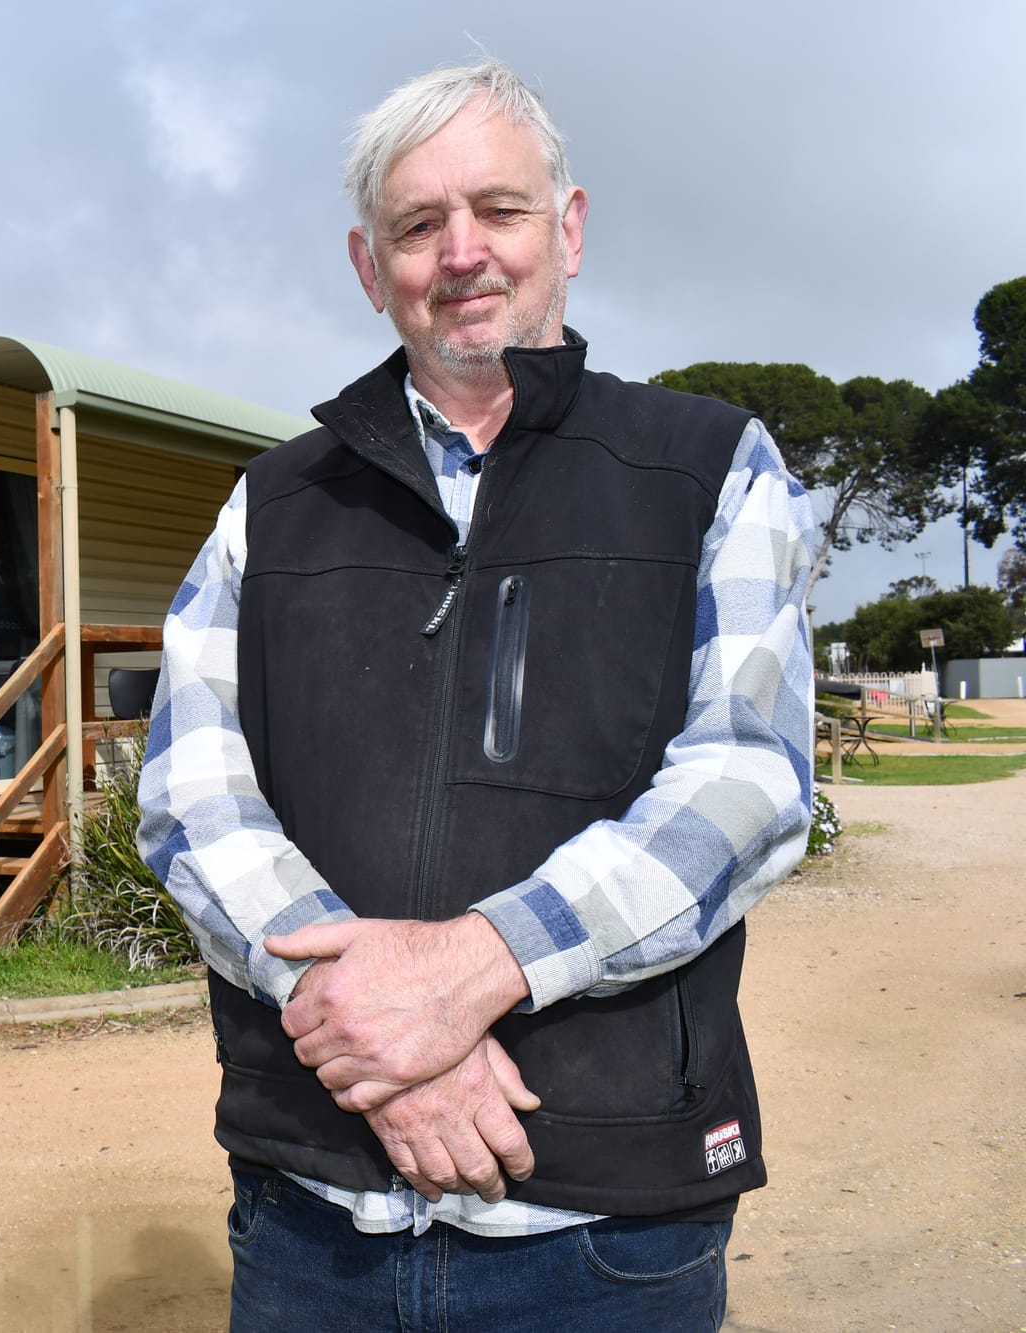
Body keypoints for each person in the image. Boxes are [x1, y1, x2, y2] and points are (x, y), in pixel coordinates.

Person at [136, 60, 816, 1332]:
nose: (460, 253)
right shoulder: (271, 504)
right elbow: (190, 793)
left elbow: (745, 782)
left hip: (599, 1231)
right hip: (308, 1220)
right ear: (365, 263)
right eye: (415, 225)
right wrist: (360, 1026)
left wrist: (475, 967)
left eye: (497, 211)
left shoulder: (707, 465)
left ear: (564, 228)